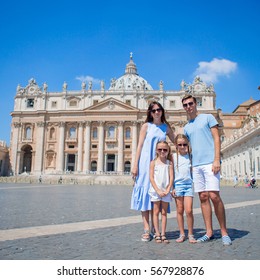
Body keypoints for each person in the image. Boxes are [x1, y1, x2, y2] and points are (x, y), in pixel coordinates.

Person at [182, 94, 232, 246]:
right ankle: (209, 232)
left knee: (214, 196)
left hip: (210, 162)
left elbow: (216, 138)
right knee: (203, 197)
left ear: (195, 104)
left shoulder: (208, 117)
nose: (188, 107)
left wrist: (217, 159)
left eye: (190, 103)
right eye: (185, 105)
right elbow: (186, 147)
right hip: (196, 165)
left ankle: (224, 232)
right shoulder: (186, 127)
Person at [131, 101, 175, 242]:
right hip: (145, 163)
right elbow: (140, 145)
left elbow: (177, 141)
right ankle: (146, 229)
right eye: (154, 110)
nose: (157, 112)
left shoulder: (166, 128)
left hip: (160, 164)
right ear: (150, 113)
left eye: (159, 109)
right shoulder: (146, 126)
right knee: (145, 195)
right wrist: (135, 165)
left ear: (162, 111)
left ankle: (157, 230)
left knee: (157, 195)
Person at [172, 134, 196, 244]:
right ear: (176, 145)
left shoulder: (191, 156)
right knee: (179, 210)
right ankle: (182, 233)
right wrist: (172, 187)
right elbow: (171, 174)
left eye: (184, 144)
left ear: (187, 144)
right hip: (178, 186)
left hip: (188, 185)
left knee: (189, 210)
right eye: (179, 144)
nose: (182, 146)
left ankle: (190, 234)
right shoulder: (173, 157)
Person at [148, 141, 173, 244]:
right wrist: (157, 190)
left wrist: (168, 189)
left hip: (166, 191)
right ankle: (157, 233)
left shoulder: (169, 163)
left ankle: (163, 233)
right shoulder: (153, 162)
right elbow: (151, 177)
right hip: (155, 190)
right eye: (160, 149)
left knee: (164, 213)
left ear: (168, 151)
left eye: (165, 149)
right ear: (156, 150)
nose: (162, 151)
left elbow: (171, 177)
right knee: (155, 212)